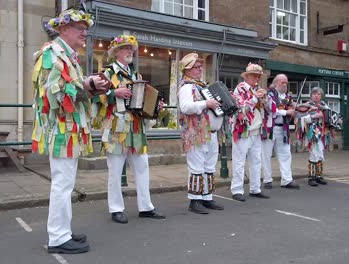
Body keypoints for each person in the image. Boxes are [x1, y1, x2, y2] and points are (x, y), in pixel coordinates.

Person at [32, 9, 109, 254]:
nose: (85, 33)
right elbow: (52, 93)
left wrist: (91, 88)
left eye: (86, 29)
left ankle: (63, 231)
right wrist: (85, 85)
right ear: (63, 29)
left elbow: (71, 90)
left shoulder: (68, 56)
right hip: (61, 130)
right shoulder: (51, 53)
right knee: (62, 184)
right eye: (79, 28)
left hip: (70, 129)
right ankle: (57, 238)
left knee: (66, 183)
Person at [92, 35, 165, 224]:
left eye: (132, 49)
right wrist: (113, 93)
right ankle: (116, 209)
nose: (130, 51)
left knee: (143, 168)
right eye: (126, 48)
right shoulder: (107, 73)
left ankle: (146, 207)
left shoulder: (136, 76)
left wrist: (156, 106)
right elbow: (94, 97)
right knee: (115, 171)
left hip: (136, 128)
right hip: (116, 128)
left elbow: (143, 102)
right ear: (116, 52)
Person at [177, 53, 224, 214]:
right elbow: (185, 107)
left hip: (210, 133)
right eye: (196, 67)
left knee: (209, 166)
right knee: (196, 167)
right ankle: (195, 201)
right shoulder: (186, 87)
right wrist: (206, 103)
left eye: (200, 66)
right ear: (187, 70)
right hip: (196, 133)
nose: (200, 69)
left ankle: (207, 197)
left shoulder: (202, 86)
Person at [230, 63, 270, 202]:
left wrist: (264, 101)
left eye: (258, 76)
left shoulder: (258, 89)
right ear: (247, 76)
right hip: (243, 129)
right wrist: (254, 98)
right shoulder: (239, 89)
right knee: (239, 161)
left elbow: (269, 109)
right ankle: (236, 190)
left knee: (256, 161)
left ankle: (255, 188)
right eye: (254, 75)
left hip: (257, 130)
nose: (257, 78)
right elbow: (240, 109)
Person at [261, 74, 300, 189]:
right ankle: (267, 180)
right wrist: (287, 113)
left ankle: (287, 180)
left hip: (283, 128)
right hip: (269, 128)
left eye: (286, 83)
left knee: (286, 154)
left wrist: (296, 109)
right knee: (266, 154)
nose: (285, 85)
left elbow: (293, 108)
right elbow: (273, 110)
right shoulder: (270, 94)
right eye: (283, 82)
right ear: (276, 83)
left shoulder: (288, 96)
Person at [295, 87, 330, 186]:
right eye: (314, 94)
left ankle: (318, 176)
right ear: (311, 95)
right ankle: (311, 177)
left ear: (321, 96)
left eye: (318, 94)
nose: (316, 96)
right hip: (312, 132)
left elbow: (329, 115)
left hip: (322, 133)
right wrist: (313, 116)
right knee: (313, 153)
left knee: (320, 153)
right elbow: (299, 118)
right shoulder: (307, 105)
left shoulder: (323, 105)